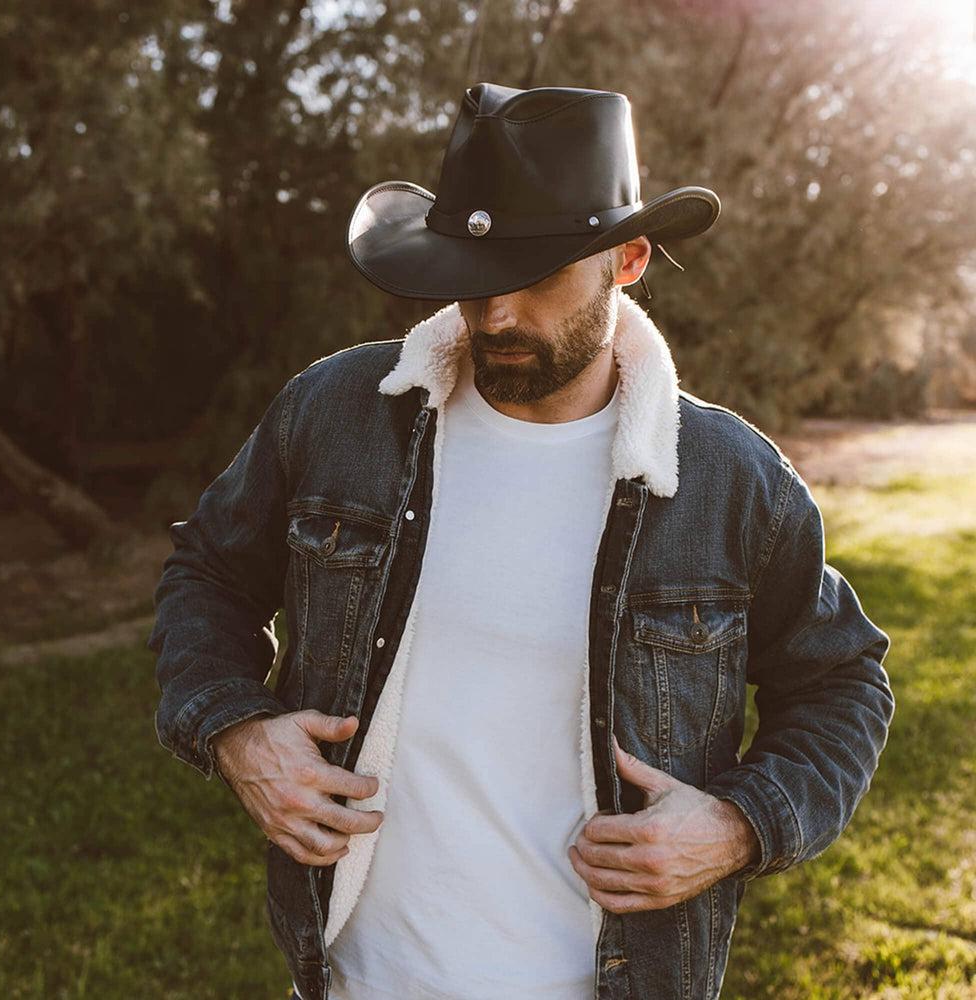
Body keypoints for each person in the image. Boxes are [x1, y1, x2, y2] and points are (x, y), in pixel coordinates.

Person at [148, 83, 895, 1000]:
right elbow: (209, 572)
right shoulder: (338, 415)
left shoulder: (729, 482)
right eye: (472, 274)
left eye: (536, 276)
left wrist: (740, 826)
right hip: (352, 979)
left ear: (627, 259)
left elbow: (843, 680)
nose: (495, 313)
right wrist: (235, 729)